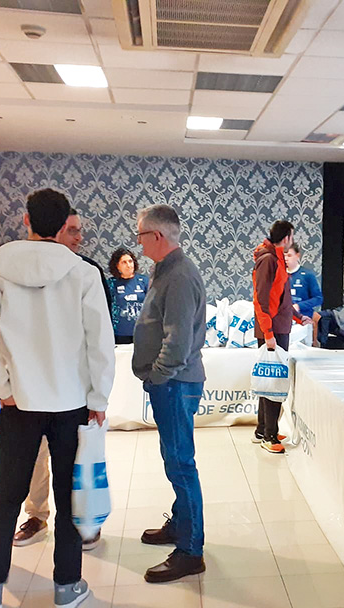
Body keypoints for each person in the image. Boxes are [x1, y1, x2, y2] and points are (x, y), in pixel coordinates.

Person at [0, 188, 114, 608]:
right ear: (63, 224)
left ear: (26, 220)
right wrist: (99, 397)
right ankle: (67, 587)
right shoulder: (83, 272)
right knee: (69, 493)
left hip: (19, 404)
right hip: (71, 404)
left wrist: (2, 385)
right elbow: (99, 342)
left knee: (6, 494)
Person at [13, 206, 108, 551]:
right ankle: (37, 517)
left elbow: (100, 338)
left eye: (80, 230)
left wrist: (98, 394)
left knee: (79, 459)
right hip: (32, 389)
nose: (78, 237)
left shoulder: (88, 273)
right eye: (72, 230)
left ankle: (86, 520)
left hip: (76, 391)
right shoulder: (16, 272)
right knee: (36, 460)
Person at [132, 204, 208, 583]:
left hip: (175, 383)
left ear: (157, 236)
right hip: (172, 383)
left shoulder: (177, 276)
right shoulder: (166, 271)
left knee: (180, 463)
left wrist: (157, 377)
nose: (138, 242)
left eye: (140, 235)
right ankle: (181, 525)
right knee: (174, 459)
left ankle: (191, 551)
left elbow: (177, 342)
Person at [252, 220, 294, 454]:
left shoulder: (275, 258)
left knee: (269, 380)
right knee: (273, 382)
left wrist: (297, 317)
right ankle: (269, 436)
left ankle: (263, 429)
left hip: (278, 327)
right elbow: (262, 300)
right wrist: (268, 334)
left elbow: (281, 296)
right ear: (286, 237)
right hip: (273, 330)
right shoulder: (269, 259)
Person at [106, 246, 149, 344]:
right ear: (117, 266)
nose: (128, 265)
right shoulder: (111, 283)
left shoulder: (144, 281)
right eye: (124, 262)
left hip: (142, 332)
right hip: (119, 333)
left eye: (130, 261)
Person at [286, 243, 322, 319]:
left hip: (304, 317)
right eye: (284, 256)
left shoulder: (307, 275)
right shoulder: (279, 275)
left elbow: (318, 299)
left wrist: (299, 306)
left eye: (289, 255)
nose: (286, 258)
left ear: (297, 256)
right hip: (284, 319)